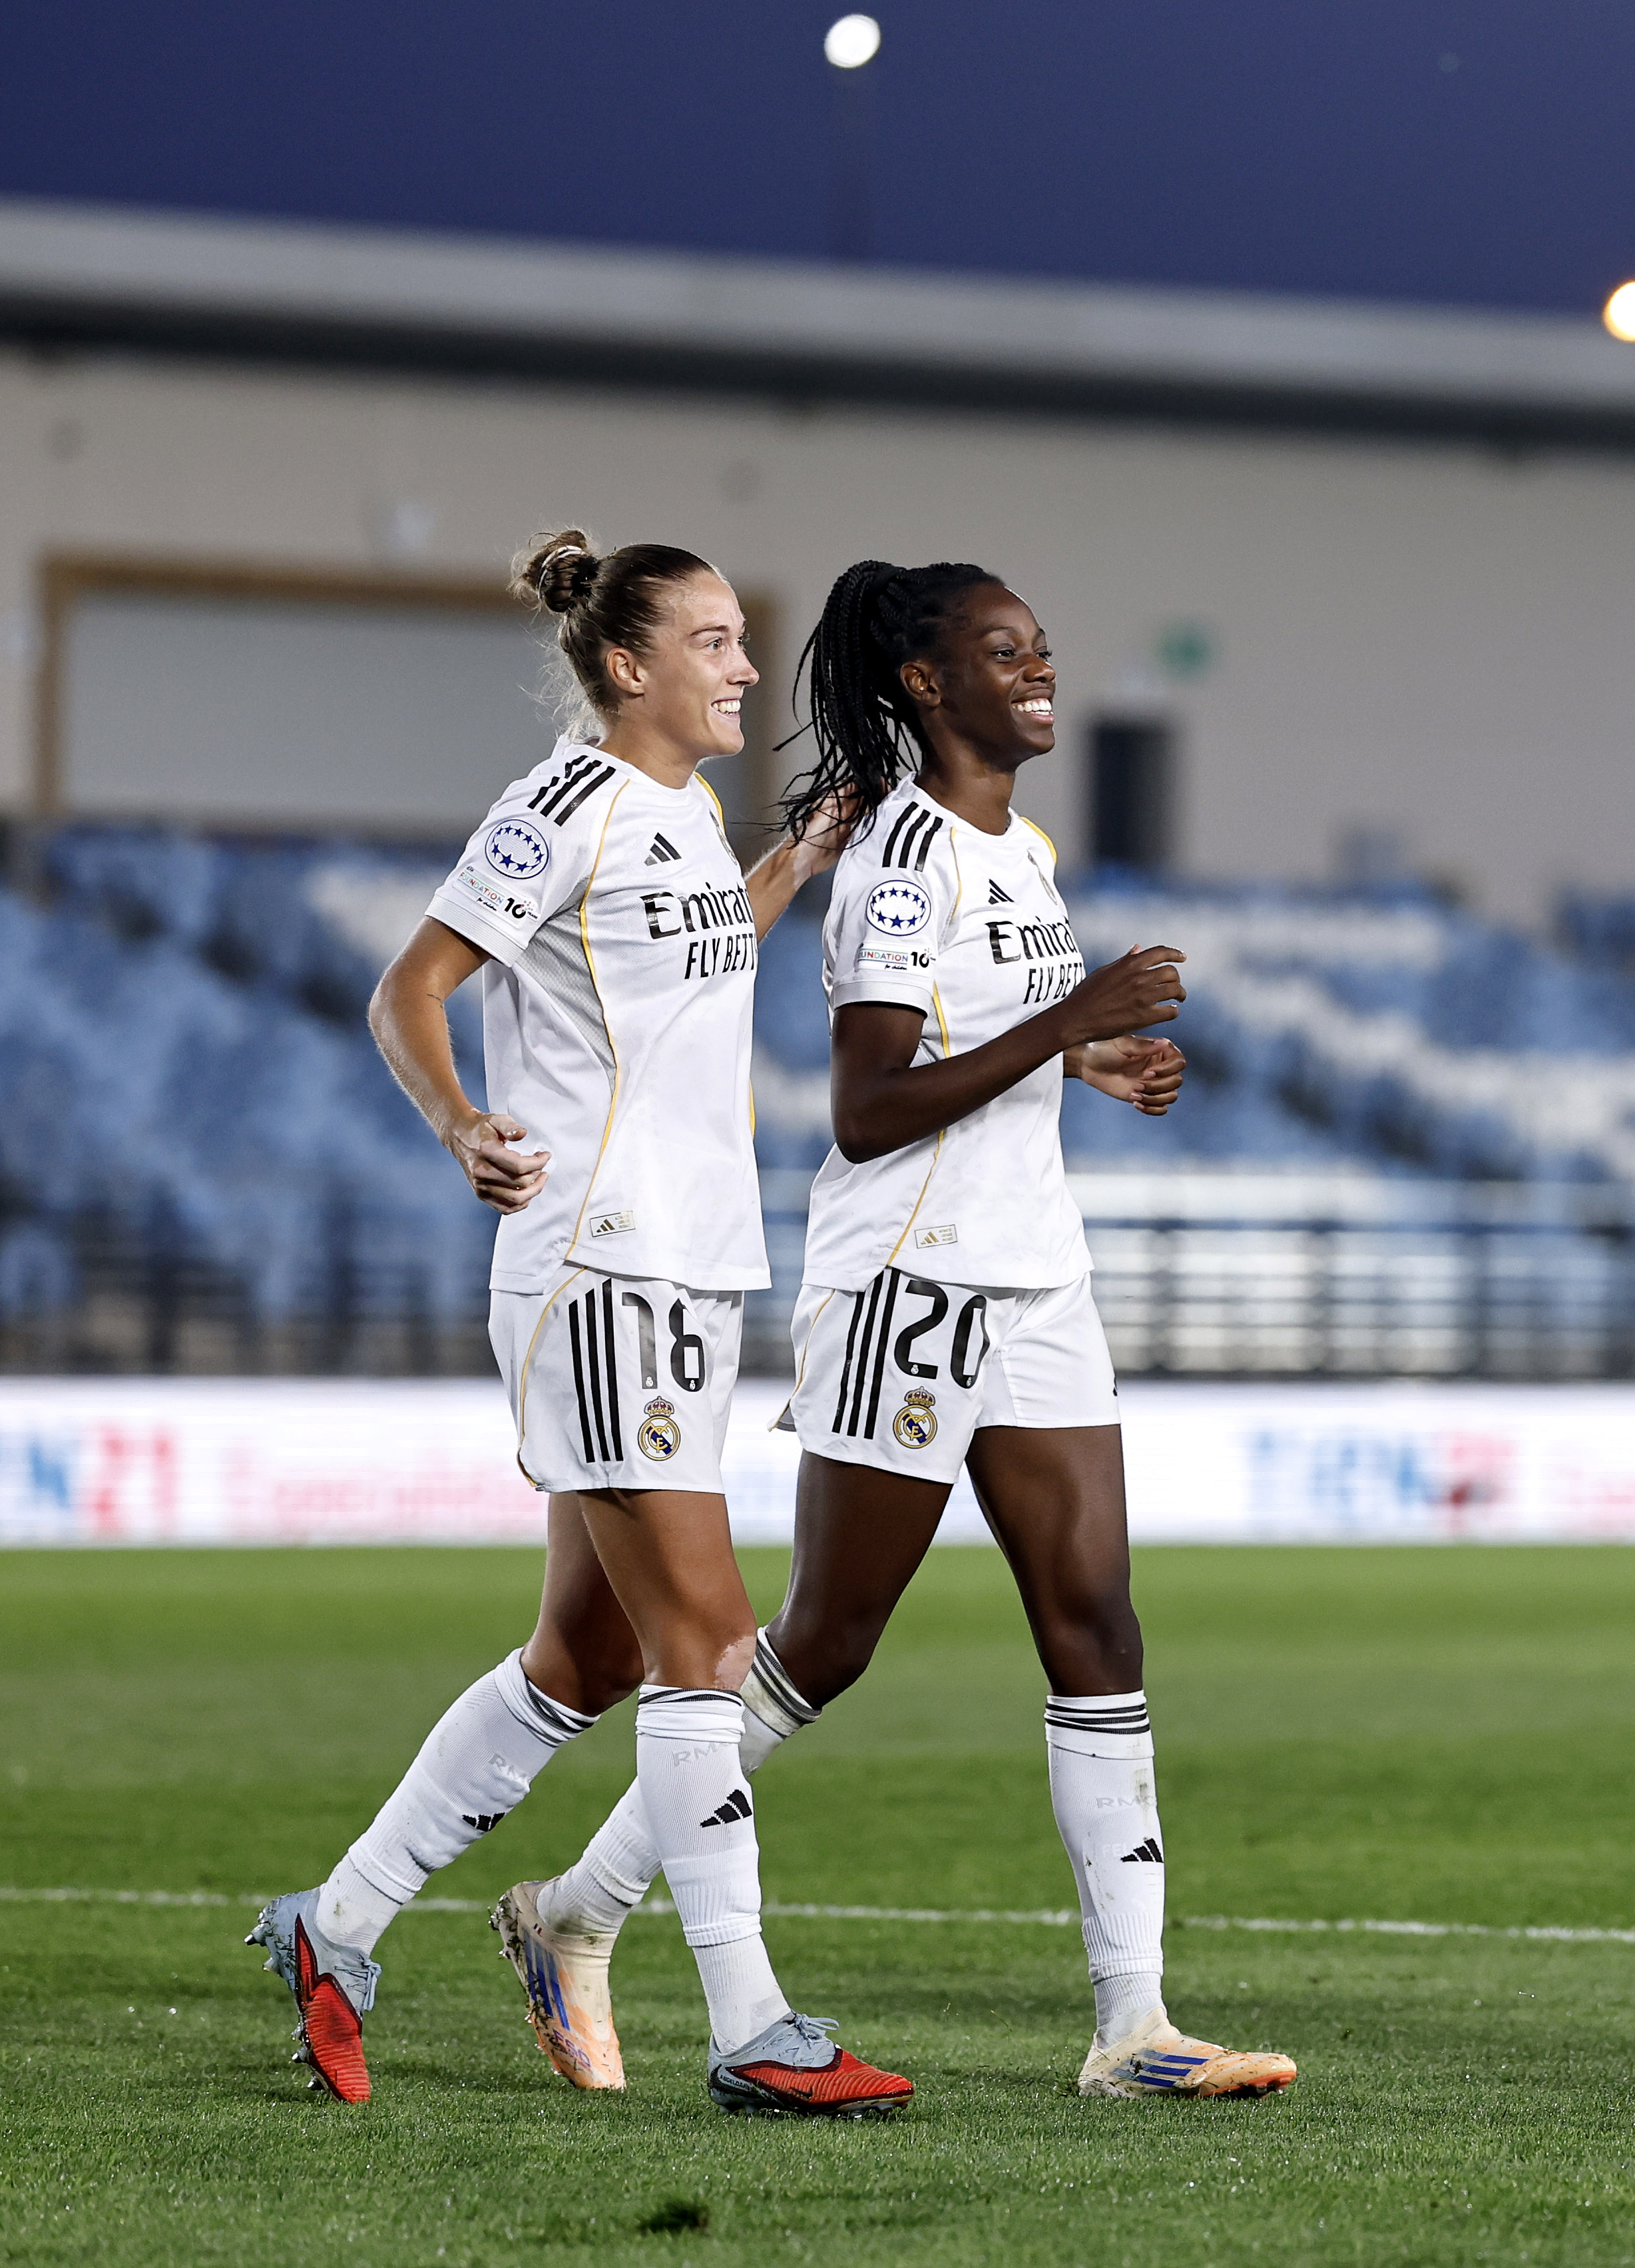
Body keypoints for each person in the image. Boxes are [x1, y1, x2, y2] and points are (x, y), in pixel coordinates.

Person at [487, 560, 1297, 2105]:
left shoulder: (1026, 851)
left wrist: (1087, 1065)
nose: (1040, 670)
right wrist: (1069, 1025)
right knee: (821, 1645)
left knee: (1098, 1624)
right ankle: (579, 1908)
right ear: (929, 685)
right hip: (909, 1282)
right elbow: (868, 1110)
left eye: (1045, 646)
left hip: (1033, 1273)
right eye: (1007, 652)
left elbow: (976, 1052)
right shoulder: (902, 862)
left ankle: (1136, 2027)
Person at [250, 530, 903, 2115]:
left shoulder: (680, 817)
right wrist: (462, 1121)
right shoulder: (561, 804)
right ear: (629, 666)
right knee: (709, 1641)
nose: (747, 665)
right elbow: (409, 986)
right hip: (596, 1260)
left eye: (744, 641)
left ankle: (333, 1929)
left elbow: (681, 973)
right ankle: (751, 2027)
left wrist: (792, 866)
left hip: (685, 1264)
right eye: (715, 641)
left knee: (590, 1655)